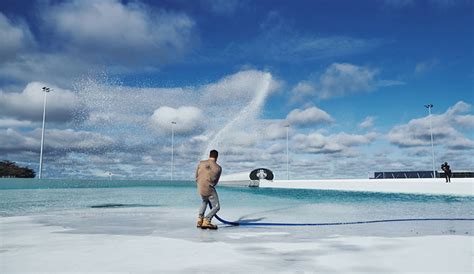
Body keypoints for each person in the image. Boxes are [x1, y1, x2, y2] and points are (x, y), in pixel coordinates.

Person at [195, 150, 222, 229]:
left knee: (205, 201)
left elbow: (196, 177)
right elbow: (215, 182)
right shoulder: (218, 168)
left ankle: (200, 220)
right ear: (217, 157)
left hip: (200, 187)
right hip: (209, 188)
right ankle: (207, 220)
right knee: (216, 207)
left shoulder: (201, 163)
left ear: (209, 155)